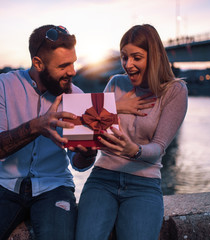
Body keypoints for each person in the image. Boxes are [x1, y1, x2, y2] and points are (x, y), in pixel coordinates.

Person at [0, 24, 97, 240]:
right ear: (38, 63)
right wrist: (36, 126)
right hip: (4, 186)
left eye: (73, 62)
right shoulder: (4, 85)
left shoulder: (76, 95)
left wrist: (88, 152)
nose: (72, 71)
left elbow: (78, 164)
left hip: (55, 187)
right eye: (63, 65)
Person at [76, 24, 188, 240]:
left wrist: (133, 150)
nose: (128, 65)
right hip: (102, 178)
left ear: (154, 57)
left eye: (137, 57)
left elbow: (158, 148)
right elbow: (87, 126)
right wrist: (115, 107)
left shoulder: (175, 91)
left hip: (144, 183)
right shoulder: (115, 83)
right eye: (124, 57)